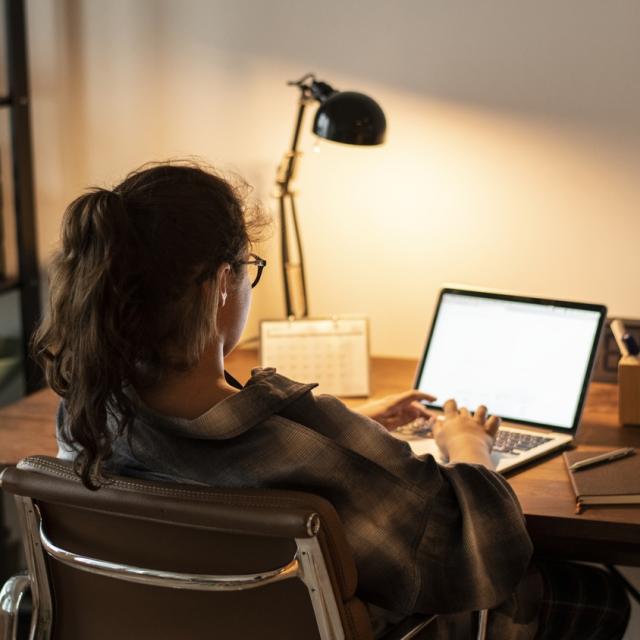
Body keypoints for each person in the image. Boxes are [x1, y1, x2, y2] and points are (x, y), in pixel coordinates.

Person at [32, 162, 629, 639]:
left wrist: (352, 429)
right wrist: (468, 445)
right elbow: (481, 550)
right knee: (594, 597)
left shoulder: (86, 413)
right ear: (220, 286)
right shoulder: (304, 441)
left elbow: (217, 460)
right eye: (248, 269)